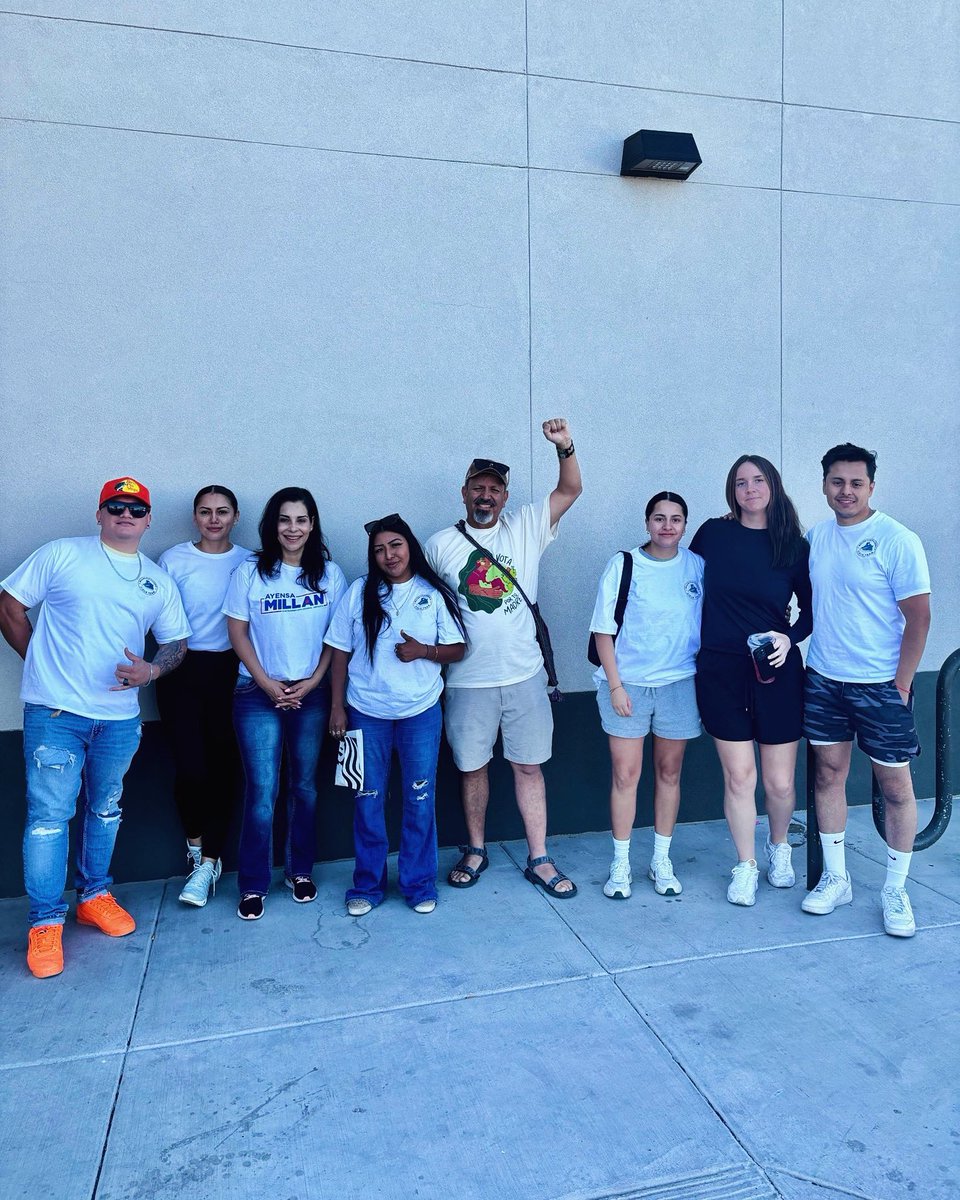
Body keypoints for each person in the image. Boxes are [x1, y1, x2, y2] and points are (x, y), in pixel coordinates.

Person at [0, 477, 190, 978]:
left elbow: (176, 644)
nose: (125, 514)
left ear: (148, 519)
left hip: (120, 720)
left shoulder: (157, 579)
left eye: (136, 508)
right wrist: (37, 660)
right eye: (116, 505)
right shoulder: (62, 554)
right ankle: (44, 922)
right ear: (100, 513)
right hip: (56, 715)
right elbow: (10, 605)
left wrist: (152, 670)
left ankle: (95, 895)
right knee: (48, 817)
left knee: (105, 811)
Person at [425, 418, 583, 897]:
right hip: (467, 681)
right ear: (464, 492)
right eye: (478, 487)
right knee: (472, 768)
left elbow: (571, 488)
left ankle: (539, 857)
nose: (486, 495)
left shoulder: (527, 527)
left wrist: (565, 446)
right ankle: (475, 849)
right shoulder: (439, 546)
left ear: (505, 496)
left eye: (495, 488)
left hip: (524, 675)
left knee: (529, 766)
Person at [801, 444, 931, 937]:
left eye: (856, 483)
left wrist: (901, 682)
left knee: (895, 786)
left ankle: (896, 888)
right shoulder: (817, 537)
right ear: (825, 486)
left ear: (871, 486)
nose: (846, 491)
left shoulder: (897, 539)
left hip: (880, 684)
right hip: (825, 679)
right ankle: (837, 878)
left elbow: (919, 617)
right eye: (837, 482)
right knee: (828, 776)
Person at [325, 515, 466, 916]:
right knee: (367, 799)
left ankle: (419, 884)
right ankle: (367, 886)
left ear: (410, 546)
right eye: (380, 549)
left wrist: (425, 651)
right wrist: (337, 706)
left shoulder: (432, 593)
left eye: (396, 545)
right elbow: (339, 652)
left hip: (420, 713)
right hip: (366, 713)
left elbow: (457, 647)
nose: (389, 555)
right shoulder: (359, 593)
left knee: (419, 798)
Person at [691, 456, 811, 906]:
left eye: (758, 480)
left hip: (776, 671)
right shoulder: (713, 534)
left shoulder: (794, 547)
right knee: (739, 777)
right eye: (740, 482)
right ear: (731, 491)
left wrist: (789, 636)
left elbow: (811, 612)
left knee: (779, 783)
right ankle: (745, 864)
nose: (750, 488)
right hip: (721, 670)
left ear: (773, 486)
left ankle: (779, 848)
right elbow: (681, 583)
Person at [222, 487, 346, 921]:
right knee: (262, 792)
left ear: (312, 525)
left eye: (301, 520)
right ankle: (254, 883)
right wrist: (267, 683)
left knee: (305, 788)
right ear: (272, 525)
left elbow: (337, 639)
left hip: (310, 695)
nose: (293, 529)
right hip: (257, 694)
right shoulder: (251, 572)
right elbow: (237, 633)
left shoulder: (329, 575)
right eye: (284, 520)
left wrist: (312, 683)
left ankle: (300, 871)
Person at [590, 492, 703, 900]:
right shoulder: (623, 565)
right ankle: (620, 863)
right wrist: (617, 686)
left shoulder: (696, 566)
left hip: (679, 684)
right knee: (626, 775)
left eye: (675, 519)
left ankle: (660, 859)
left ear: (685, 525)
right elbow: (603, 631)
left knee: (669, 773)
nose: (667, 526)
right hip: (628, 685)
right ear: (647, 523)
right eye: (659, 518)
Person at [157, 486, 250, 907]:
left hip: (230, 669)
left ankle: (210, 863)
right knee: (191, 769)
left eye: (223, 512)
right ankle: (194, 848)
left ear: (235, 517)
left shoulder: (248, 561)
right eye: (206, 512)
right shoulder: (174, 560)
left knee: (224, 768)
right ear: (195, 517)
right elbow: (158, 619)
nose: (214, 519)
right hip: (182, 670)